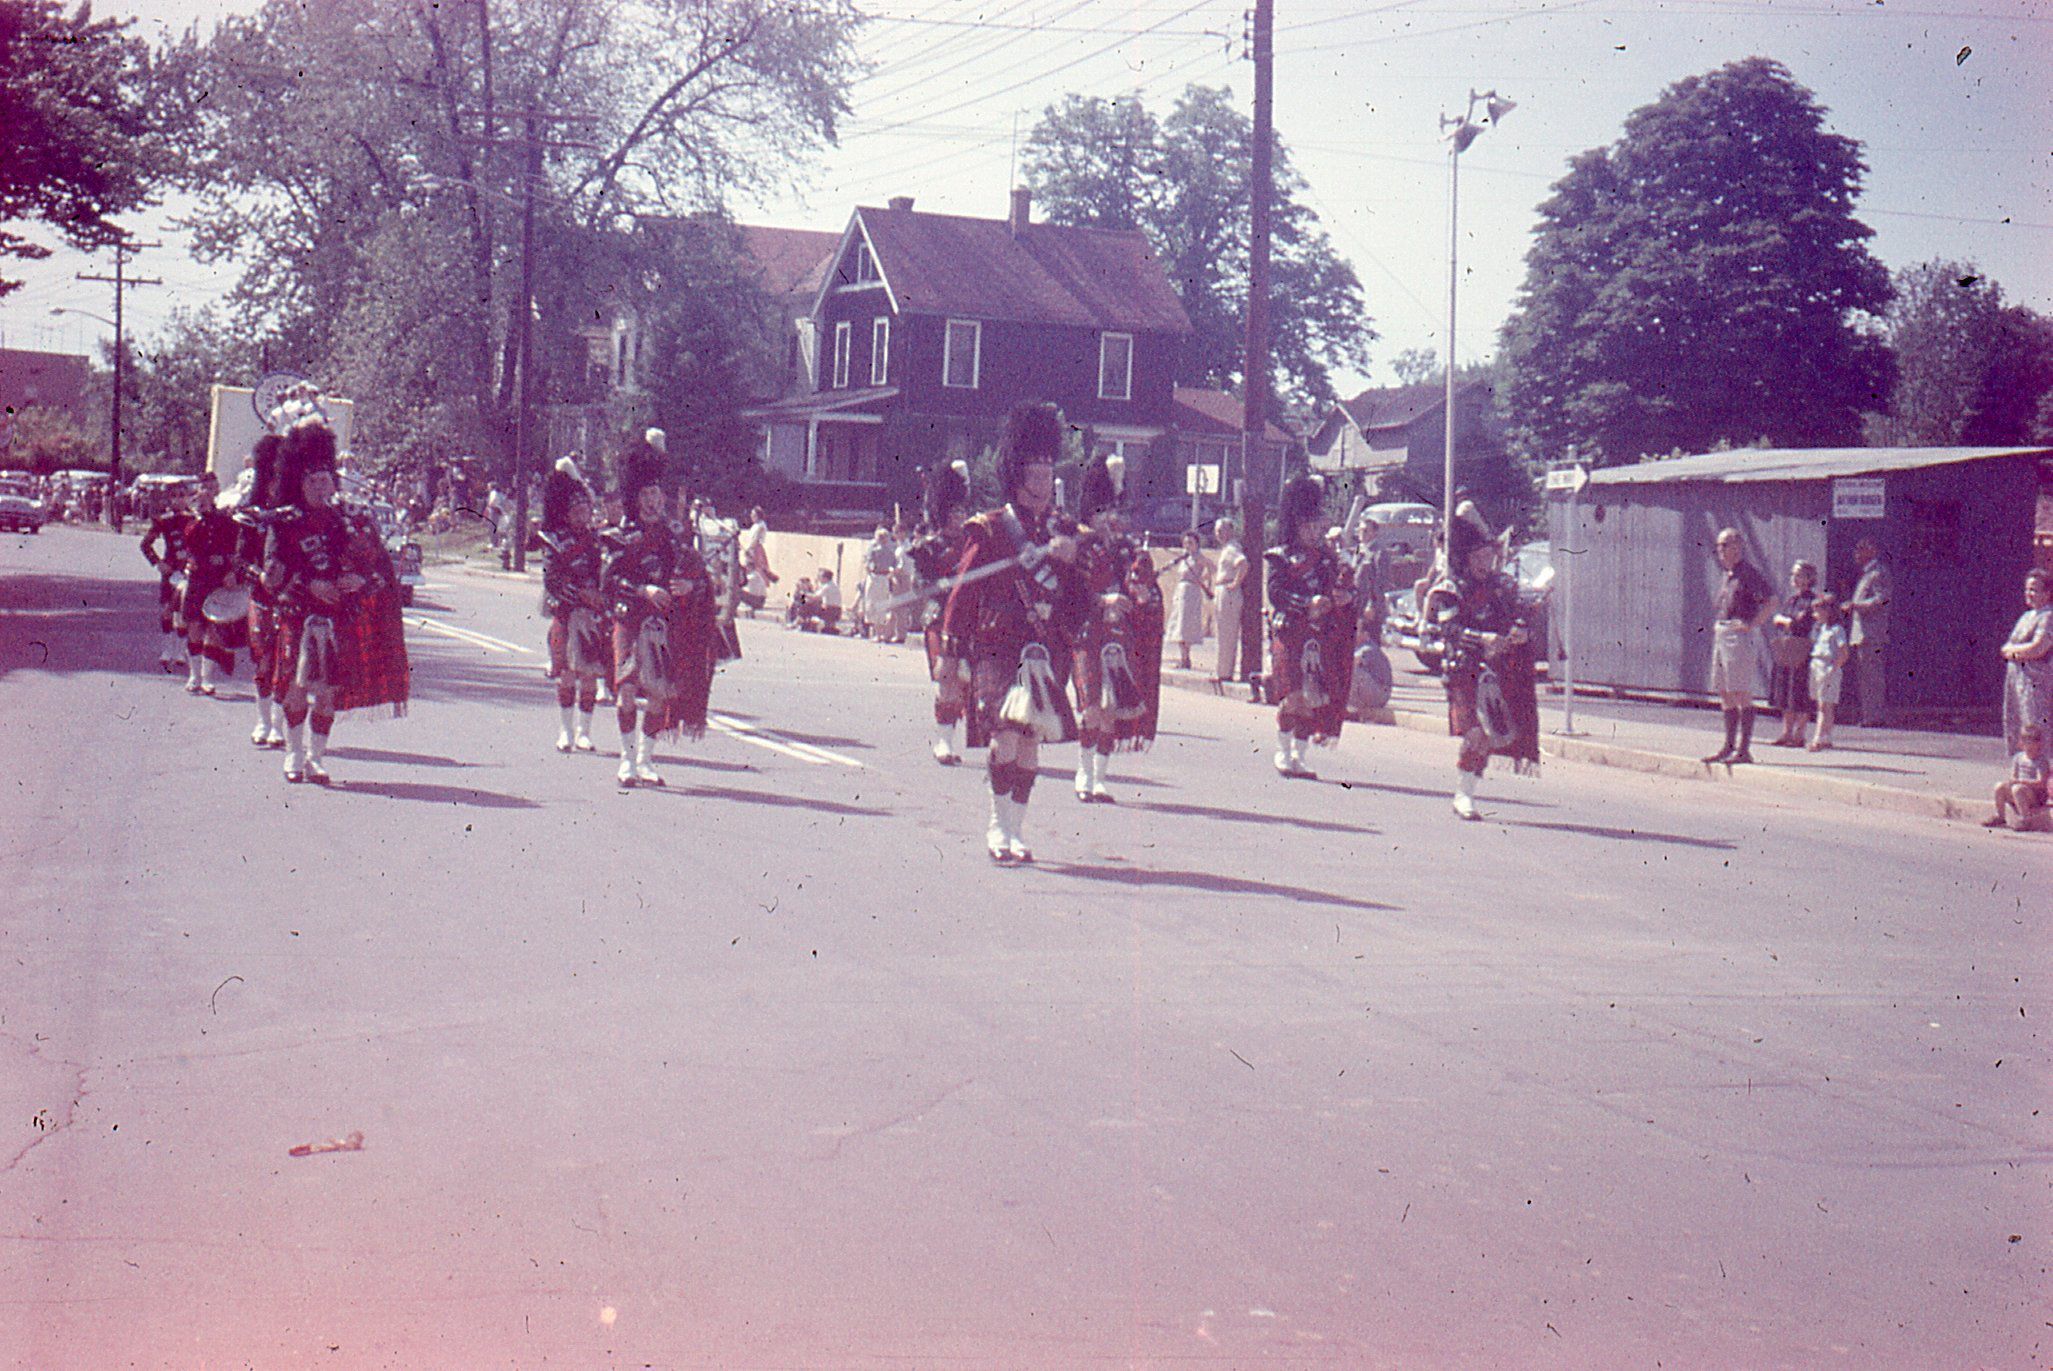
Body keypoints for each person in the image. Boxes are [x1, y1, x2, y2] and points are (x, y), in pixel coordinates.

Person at [939, 402, 1088, 862]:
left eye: (1048, 466)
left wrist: (1072, 562)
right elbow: (963, 594)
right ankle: (996, 825)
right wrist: (950, 655)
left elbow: (1080, 602)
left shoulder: (1066, 531)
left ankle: (1016, 831)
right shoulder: (989, 529)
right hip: (998, 644)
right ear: (1016, 472)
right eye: (1034, 467)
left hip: (1044, 648)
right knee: (1005, 735)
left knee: (1028, 744)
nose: (1042, 475)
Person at [263, 420, 410, 785]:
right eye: (312, 481)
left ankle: (316, 758)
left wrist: (360, 581)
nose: (319, 487)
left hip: (337, 616)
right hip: (298, 614)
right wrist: (308, 584)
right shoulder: (285, 522)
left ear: (333, 481)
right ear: (299, 483)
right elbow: (272, 574)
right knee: (296, 688)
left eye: (324, 480)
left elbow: (379, 571)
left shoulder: (351, 520)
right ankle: (294, 754)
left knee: (328, 692)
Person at [602, 449, 719, 789]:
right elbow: (609, 581)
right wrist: (643, 590)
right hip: (629, 620)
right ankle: (626, 761)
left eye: (656, 494)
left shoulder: (675, 535)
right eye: (645, 495)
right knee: (626, 690)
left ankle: (645, 761)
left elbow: (700, 577)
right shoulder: (620, 536)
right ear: (635, 499)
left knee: (658, 694)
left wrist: (690, 586)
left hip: (662, 623)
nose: (653, 501)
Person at [1424, 504, 1540, 819]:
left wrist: (1519, 633)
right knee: (1474, 733)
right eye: (1478, 557)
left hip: (1495, 672)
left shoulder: (1502, 586)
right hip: (1462, 671)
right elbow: (1449, 629)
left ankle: (1467, 790)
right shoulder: (1450, 589)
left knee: (1487, 735)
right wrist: (1482, 639)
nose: (1484, 562)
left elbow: (1518, 619)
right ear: (1465, 558)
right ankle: (1464, 796)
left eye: (1488, 556)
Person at [1069, 453, 1164, 803]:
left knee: (1110, 709)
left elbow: (1143, 592)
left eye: (1113, 510)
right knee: (1092, 706)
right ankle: (1083, 772)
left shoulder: (1126, 548)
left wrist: (1142, 590)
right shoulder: (1078, 545)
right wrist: (1101, 601)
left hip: (1117, 637)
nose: (1109, 518)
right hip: (1085, 634)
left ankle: (1099, 778)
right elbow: (1070, 593)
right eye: (1102, 511)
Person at [1264, 476, 1356, 779]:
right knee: (1292, 695)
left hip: (1318, 636)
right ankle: (1282, 750)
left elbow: (1341, 591)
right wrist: (1306, 604)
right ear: (1296, 525)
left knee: (1310, 697)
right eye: (1308, 527)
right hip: (1290, 632)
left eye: (1317, 527)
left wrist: (1344, 597)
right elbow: (1275, 593)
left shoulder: (1328, 559)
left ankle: (1299, 756)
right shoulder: (1280, 557)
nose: (1314, 532)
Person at [905, 461, 974, 764]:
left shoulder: (974, 545)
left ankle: (959, 737)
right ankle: (944, 743)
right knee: (947, 678)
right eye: (955, 513)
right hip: (940, 616)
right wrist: (938, 584)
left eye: (962, 512)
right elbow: (920, 585)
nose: (960, 518)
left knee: (966, 680)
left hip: (968, 618)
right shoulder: (929, 547)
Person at [540, 458, 609, 754]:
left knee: (589, 675)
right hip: (567, 614)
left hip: (592, 618)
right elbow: (552, 581)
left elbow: (609, 575)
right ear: (566, 514)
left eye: (586, 511)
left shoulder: (599, 541)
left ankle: (584, 732)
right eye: (577, 511)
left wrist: (600, 595)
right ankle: (566, 731)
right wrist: (581, 594)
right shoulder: (555, 542)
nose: (583, 516)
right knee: (566, 674)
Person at [234, 435, 290, 748]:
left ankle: (279, 726)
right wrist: (260, 576)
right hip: (261, 595)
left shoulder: (295, 516)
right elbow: (240, 560)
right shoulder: (251, 515)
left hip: (291, 598)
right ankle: (263, 721)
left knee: (287, 661)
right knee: (263, 661)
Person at [1702, 526, 1775, 765]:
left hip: (1737, 636)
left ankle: (1744, 750)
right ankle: (1729, 745)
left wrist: (1752, 624)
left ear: (1737, 546)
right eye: (1719, 546)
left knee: (1740, 690)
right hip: (1722, 632)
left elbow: (1771, 601)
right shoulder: (1728, 574)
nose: (1720, 550)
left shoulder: (1748, 574)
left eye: (1725, 545)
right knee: (1724, 691)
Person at [179, 472, 248, 697]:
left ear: (217, 490)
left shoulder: (226, 519)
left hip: (218, 578)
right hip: (198, 576)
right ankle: (194, 676)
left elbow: (235, 549)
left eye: (211, 488)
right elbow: (188, 539)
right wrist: (200, 514)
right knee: (194, 626)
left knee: (214, 627)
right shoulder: (191, 518)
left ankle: (207, 678)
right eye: (204, 488)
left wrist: (232, 572)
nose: (208, 492)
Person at [139, 482, 194, 674]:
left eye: (182, 495)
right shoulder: (164, 520)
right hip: (170, 570)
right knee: (167, 610)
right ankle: (167, 648)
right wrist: (157, 562)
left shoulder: (195, 519)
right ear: (169, 499)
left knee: (184, 612)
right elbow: (145, 544)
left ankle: (180, 650)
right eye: (175, 496)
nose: (179, 500)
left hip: (188, 570)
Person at [2000, 567, 2053, 756]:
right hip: (2016, 678)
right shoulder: (2026, 616)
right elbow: (2007, 646)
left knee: (2035, 723)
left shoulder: (2048, 616)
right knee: (2016, 721)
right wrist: (2013, 651)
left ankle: (2041, 767)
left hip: (2035, 681)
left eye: (2034, 590)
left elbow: (2038, 647)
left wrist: (2012, 652)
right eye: (2027, 589)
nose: (2029, 594)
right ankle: (2021, 766)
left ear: (2047, 593)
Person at [1767, 559, 1820, 746]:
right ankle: (1786, 732)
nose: (1794, 578)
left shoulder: (1812, 601)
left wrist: (1785, 621)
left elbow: (1799, 623)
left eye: (1798, 575)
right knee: (1785, 691)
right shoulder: (1792, 600)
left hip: (1803, 649)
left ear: (1808, 578)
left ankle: (1799, 734)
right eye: (1793, 575)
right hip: (1788, 648)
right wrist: (1785, 621)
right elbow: (1782, 621)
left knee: (1800, 692)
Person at [1845, 536, 1892, 726]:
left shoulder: (1878, 573)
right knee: (1865, 676)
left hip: (1872, 634)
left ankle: (1874, 717)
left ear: (1872, 551)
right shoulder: (1866, 574)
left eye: (1861, 549)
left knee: (1872, 676)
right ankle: (1869, 714)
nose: (1856, 553)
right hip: (1862, 633)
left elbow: (1881, 599)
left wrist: (1855, 605)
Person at [1986, 722, 2050, 831]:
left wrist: (2021, 782)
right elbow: (2013, 777)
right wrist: (2012, 782)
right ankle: (2000, 816)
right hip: (2019, 792)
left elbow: (2041, 783)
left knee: (2018, 789)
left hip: (2035, 795)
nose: (2029, 745)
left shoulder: (2041, 761)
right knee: (1999, 786)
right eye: (2026, 741)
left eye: (2033, 741)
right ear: (2021, 743)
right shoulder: (2018, 758)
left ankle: (2025, 820)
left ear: (2039, 744)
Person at [1806, 592, 1849, 751]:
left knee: (1824, 705)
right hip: (1817, 665)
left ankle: (1818, 739)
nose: (1815, 615)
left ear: (1828, 611)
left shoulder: (1837, 630)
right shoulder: (1821, 629)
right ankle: (1827, 737)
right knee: (1822, 704)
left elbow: (1844, 652)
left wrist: (1834, 668)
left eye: (1818, 611)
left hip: (1828, 667)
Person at [1165, 529, 1211, 670]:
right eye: (1185, 543)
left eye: (1190, 543)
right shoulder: (1184, 558)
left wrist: (1201, 579)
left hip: (1191, 592)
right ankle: (1183, 657)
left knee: (1186, 624)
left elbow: (1212, 568)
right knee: (1179, 623)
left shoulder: (1199, 557)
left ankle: (1186, 658)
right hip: (1181, 591)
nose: (1187, 546)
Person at [1212, 517, 1248, 688]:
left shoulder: (1233, 548)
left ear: (1230, 531)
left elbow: (1243, 564)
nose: (1218, 534)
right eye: (1217, 531)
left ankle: (1225, 672)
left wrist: (1235, 583)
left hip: (1228, 591)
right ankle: (1222, 670)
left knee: (1227, 633)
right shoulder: (1226, 548)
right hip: (1222, 590)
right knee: (1222, 632)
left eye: (1222, 530)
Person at [858, 526, 900, 641]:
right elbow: (895, 566)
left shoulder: (874, 550)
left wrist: (869, 569)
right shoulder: (892, 551)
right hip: (885, 578)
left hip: (874, 577)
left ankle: (878, 633)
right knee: (882, 604)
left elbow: (868, 565)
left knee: (872, 604)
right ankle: (882, 633)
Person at [738, 506, 775, 616]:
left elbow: (755, 540)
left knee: (757, 569)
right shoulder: (755, 526)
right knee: (750, 569)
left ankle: (756, 595)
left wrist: (749, 550)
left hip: (756, 549)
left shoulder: (761, 525)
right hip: (752, 548)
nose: (751, 516)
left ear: (758, 515)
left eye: (753, 514)